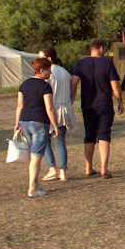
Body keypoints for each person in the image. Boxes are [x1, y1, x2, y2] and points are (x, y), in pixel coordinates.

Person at [71, 38, 124, 178]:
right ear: (101, 48)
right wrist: (120, 100)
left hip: (87, 105)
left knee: (89, 135)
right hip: (104, 103)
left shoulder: (81, 64)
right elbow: (115, 84)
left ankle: (88, 167)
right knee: (104, 135)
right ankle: (104, 168)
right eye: (105, 49)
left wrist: (70, 99)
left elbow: (74, 82)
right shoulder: (107, 63)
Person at [14, 57, 59, 197]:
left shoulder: (24, 84)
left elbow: (19, 105)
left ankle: (36, 184)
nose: (50, 73)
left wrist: (16, 123)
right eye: (49, 70)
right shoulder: (45, 86)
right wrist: (55, 125)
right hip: (39, 122)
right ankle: (32, 188)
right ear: (42, 70)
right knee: (36, 157)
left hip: (24, 121)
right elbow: (49, 108)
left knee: (31, 156)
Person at [39, 46, 77, 182]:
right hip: (64, 110)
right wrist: (69, 103)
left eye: (41, 57)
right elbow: (73, 90)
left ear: (48, 59)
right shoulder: (65, 72)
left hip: (51, 109)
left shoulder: (48, 74)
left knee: (44, 140)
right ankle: (63, 172)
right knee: (60, 141)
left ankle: (52, 168)